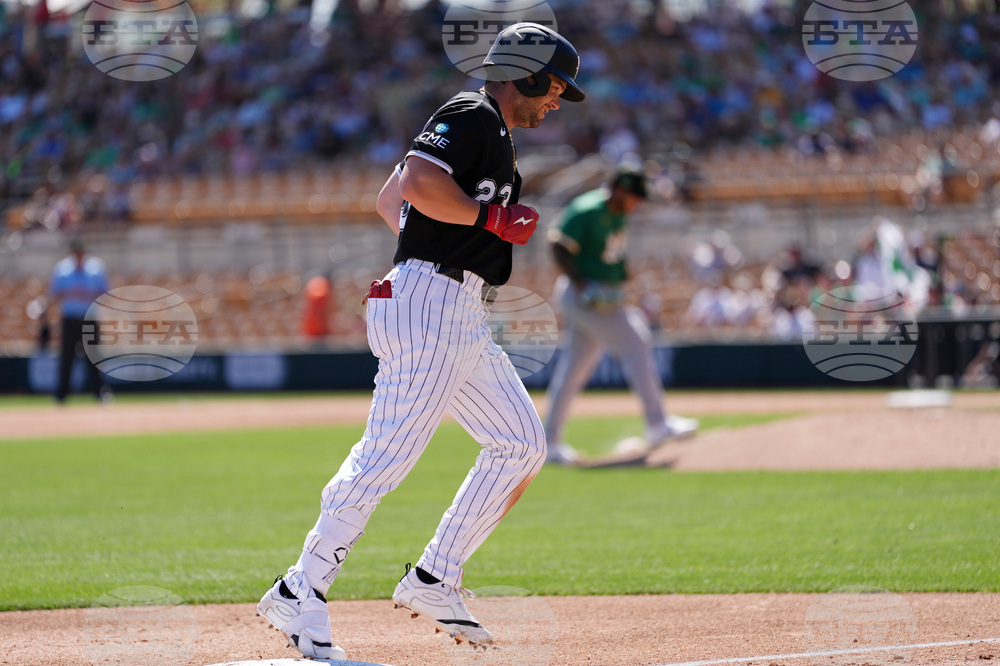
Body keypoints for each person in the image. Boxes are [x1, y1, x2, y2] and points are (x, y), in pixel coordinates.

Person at [256, 23, 585, 661]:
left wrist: (450, 230)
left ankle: (435, 576)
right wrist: (485, 220)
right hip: (431, 304)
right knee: (385, 457)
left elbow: (391, 197)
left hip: (456, 308)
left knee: (520, 444)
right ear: (531, 72)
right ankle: (301, 589)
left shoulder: (490, 129)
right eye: (556, 88)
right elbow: (412, 188)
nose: (556, 101)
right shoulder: (472, 114)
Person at [543, 167, 698, 465]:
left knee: (573, 372)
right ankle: (657, 424)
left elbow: (608, 252)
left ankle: (548, 443)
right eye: (633, 196)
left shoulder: (617, 213)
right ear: (618, 190)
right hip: (584, 297)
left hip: (601, 296)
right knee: (636, 342)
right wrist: (582, 283)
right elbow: (557, 246)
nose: (636, 203)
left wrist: (620, 272)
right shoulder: (587, 208)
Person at [46, 237, 112, 404]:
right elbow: (54, 293)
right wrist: (71, 292)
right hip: (70, 319)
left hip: (89, 318)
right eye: (76, 252)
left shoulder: (96, 267)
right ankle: (62, 394)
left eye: (81, 251)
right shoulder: (62, 269)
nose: (78, 255)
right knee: (67, 358)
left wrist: (86, 293)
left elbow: (105, 292)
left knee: (94, 357)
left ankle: (100, 392)